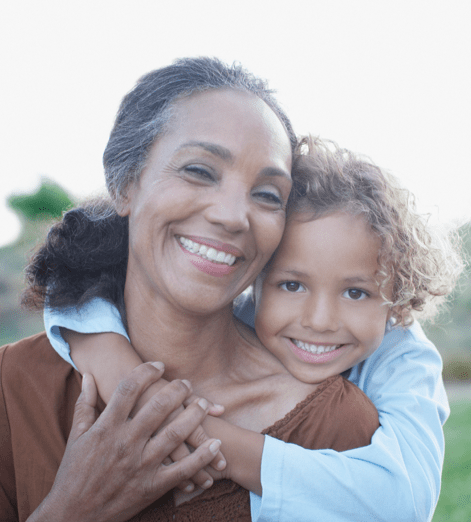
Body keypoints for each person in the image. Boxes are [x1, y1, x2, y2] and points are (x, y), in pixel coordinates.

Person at [0, 57, 457, 522]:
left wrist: (195, 432)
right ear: (125, 184)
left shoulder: (340, 422)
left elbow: (405, 500)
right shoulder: (15, 385)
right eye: (199, 170)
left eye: (266, 194)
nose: (232, 215)